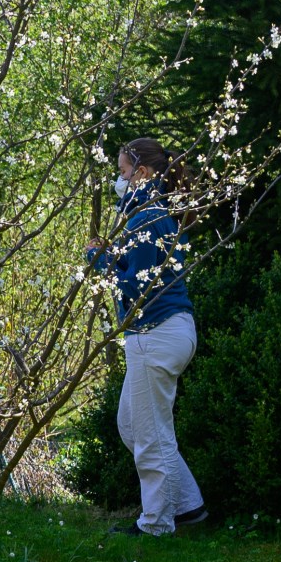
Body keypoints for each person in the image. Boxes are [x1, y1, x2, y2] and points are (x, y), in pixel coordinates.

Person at [87, 137, 205, 536]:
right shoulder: (153, 215)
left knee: (151, 435)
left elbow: (132, 291)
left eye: (122, 172)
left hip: (155, 333)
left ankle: (156, 523)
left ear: (143, 173)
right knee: (133, 426)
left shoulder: (146, 218)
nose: (119, 180)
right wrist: (114, 256)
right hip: (168, 331)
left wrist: (97, 260)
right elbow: (142, 271)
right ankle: (188, 506)